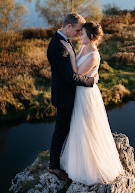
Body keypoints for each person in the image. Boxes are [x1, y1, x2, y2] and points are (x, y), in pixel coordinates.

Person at [59, 21, 124, 185]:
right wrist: (73, 53)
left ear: (91, 37)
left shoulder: (93, 55)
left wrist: (71, 55)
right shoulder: (82, 48)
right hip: (80, 92)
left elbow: (76, 74)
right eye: (80, 32)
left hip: (86, 95)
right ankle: (79, 160)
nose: (79, 35)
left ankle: (90, 167)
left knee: (87, 126)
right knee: (78, 126)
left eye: (83, 33)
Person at [47, 13, 99, 180]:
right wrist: (91, 81)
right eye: (77, 30)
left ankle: (73, 160)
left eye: (81, 32)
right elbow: (70, 77)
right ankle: (54, 166)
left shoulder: (63, 40)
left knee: (71, 128)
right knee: (61, 130)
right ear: (69, 26)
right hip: (64, 96)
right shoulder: (58, 46)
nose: (78, 34)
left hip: (71, 94)